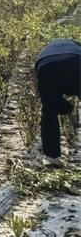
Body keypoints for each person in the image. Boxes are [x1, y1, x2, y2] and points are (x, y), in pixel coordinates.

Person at [35, 38, 81, 167]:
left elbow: (51, 99)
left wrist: (65, 107)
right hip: (75, 62)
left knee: (49, 111)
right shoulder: (77, 48)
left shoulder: (49, 48)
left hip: (46, 66)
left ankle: (51, 158)